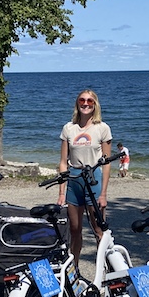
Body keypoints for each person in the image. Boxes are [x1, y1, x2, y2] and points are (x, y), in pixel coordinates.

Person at [57, 89, 113, 265]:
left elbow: (107, 163)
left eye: (90, 101)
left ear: (95, 104)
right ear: (77, 103)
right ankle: (75, 268)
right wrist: (61, 192)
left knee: (98, 229)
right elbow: (63, 162)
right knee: (74, 229)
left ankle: (105, 270)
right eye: (82, 100)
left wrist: (103, 194)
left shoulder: (102, 128)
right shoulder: (68, 128)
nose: (86, 104)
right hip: (74, 179)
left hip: (93, 178)